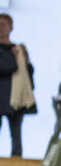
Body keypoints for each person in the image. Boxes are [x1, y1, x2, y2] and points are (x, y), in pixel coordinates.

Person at [0, 13, 34, 157]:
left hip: (16, 98)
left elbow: (29, 75)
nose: (0, 28)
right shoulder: (12, 53)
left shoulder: (19, 49)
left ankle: (16, 164)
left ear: (11, 27)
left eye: (3, 25)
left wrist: (25, 58)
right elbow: (6, 67)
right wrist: (12, 57)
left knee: (16, 135)